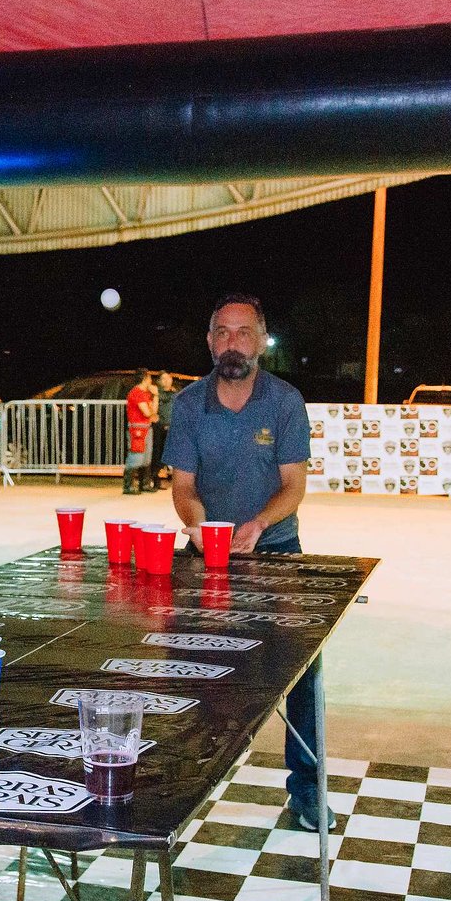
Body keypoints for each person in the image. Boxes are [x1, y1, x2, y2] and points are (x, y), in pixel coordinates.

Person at [163, 293, 330, 830]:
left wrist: (257, 525)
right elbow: (183, 486)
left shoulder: (285, 402)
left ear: (261, 341)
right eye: (222, 332)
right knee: (187, 665)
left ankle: (308, 788)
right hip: (205, 554)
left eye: (243, 332)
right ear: (210, 342)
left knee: (302, 671)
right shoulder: (189, 404)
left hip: (276, 550)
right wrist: (196, 524)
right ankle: (184, 782)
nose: (232, 342)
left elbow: (293, 486)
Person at [124, 371, 158, 494]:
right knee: (136, 456)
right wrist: (152, 412)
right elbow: (148, 412)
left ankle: (144, 484)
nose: (151, 381)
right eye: (149, 378)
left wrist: (156, 396)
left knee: (146, 458)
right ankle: (128, 486)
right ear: (145, 379)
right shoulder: (136, 393)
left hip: (146, 427)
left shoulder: (146, 393)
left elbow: (153, 411)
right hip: (137, 429)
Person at [151, 371, 176, 490]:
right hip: (159, 427)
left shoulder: (175, 393)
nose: (167, 381)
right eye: (164, 379)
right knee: (158, 454)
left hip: (173, 428)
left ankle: (172, 477)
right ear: (159, 381)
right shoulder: (156, 393)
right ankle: (155, 479)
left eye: (168, 378)